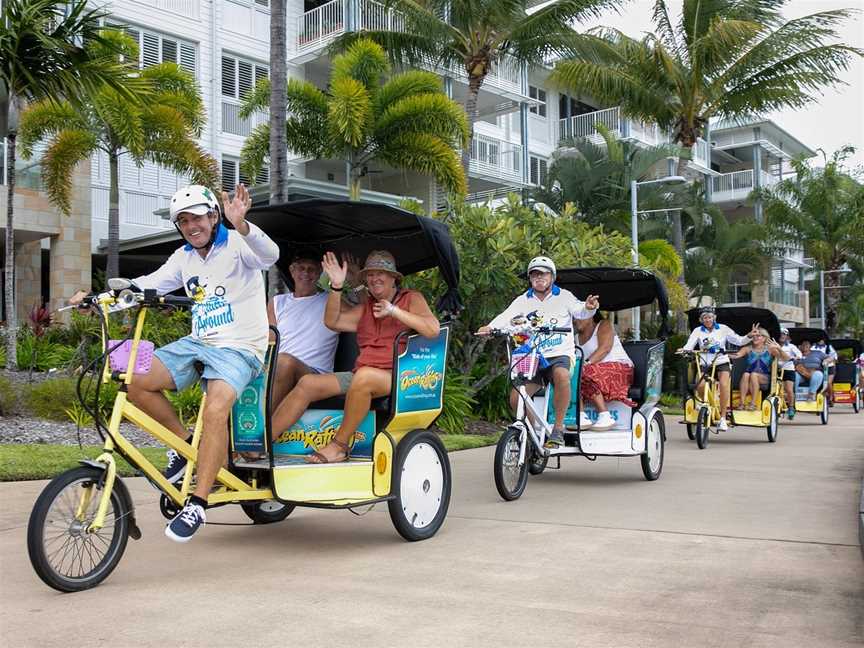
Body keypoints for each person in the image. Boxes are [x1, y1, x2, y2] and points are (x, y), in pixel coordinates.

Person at [72, 183, 279, 542]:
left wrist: (241, 224)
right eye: (183, 220)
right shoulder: (183, 257)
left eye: (197, 217)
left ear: (213, 216)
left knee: (215, 411)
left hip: (240, 348)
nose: (191, 225)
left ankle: (197, 503)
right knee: (133, 379)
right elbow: (144, 284)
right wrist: (98, 297)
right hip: (197, 344)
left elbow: (270, 255)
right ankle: (186, 446)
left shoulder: (237, 244)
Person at [269, 250, 440, 463]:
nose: (375, 279)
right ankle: (265, 442)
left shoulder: (411, 299)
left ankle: (339, 445)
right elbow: (333, 322)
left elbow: (433, 330)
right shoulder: (365, 308)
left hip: (400, 375)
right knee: (308, 383)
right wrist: (336, 286)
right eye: (370, 275)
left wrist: (394, 311)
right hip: (362, 375)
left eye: (381, 274)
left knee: (364, 376)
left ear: (393, 277)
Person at [477, 256, 599, 446]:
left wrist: (589, 308)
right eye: (534, 274)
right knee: (517, 397)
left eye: (543, 274)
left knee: (562, 376)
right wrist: (490, 327)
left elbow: (580, 310)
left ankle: (558, 429)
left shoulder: (564, 296)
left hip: (559, 354)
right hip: (532, 356)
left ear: (552, 277)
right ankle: (532, 434)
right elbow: (506, 316)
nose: (539, 278)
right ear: (530, 278)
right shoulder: (522, 300)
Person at [267, 251, 345, 407]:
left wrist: (357, 282)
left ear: (319, 273)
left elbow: (366, 314)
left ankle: (265, 425)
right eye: (301, 268)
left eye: (311, 269)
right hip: (279, 369)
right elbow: (269, 342)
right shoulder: (276, 302)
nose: (306, 273)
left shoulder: (331, 300)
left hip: (314, 373)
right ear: (292, 270)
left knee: (285, 361)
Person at [677, 305, 756, 431]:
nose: (707, 320)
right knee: (700, 385)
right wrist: (684, 349)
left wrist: (749, 336)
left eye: (709, 317)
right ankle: (703, 403)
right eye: (704, 318)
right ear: (701, 320)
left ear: (714, 318)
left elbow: (739, 341)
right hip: (705, 363)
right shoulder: (698, 330)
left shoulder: (723, 329)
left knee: (724, 385)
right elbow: (690, 344)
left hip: (721, 362)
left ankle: (723, 418)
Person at [574, 313, 634, 431]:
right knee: (574, 374)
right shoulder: (575, 338)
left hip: (620, 369)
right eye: (573, 318)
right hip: (593, 373)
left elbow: (604, 349)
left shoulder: (603, 325)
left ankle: (605, 416)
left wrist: (584, 364)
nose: (575, 321)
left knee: (584, 370)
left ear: (590, 315)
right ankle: (580, 416)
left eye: (579, 316)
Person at [731, 327, 787, 410]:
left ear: (764, 338)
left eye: (758, 336)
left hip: (764, 379)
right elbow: (737, 355)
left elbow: (786, 358)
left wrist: (779, 348)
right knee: (746, 374)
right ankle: (741, 403)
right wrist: (723, 354)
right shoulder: (747, 348)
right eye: (754, 335)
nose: (755, 337)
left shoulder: (770, 349)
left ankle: (753, 404)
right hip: (749, 378)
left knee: (753, 375)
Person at [778, 327, 802, 419]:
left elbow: (799, 355)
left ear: (787, 336)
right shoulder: (774, 344)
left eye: (784, 334)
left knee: (788, 389)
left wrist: (796, 358)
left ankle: (791, 407)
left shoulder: (791, 346)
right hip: (776, 369)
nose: (782, 335)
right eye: (780, 333)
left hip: (788, 369)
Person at [813, 338, 838, 405]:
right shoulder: (813, 347)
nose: (820, 340)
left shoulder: (829, 347)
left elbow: (834, 357)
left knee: (828, 383)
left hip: (829, 367)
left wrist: (827, 361)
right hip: (818, 368)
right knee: (819, 383)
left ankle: (831, 397)